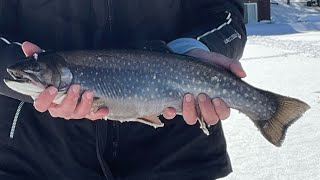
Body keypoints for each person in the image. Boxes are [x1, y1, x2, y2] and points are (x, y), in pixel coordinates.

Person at [0, 0, 247, 179]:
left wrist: (192, 51)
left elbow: (224, 14)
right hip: (36, 156)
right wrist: (25, 66)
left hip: (176, 153)